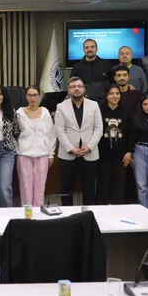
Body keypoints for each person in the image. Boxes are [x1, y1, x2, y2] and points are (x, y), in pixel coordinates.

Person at [54, 76, 103, 206]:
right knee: (66, 189)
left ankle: (88, 215)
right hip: (68, 154)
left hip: (89, 153)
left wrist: (89, 147)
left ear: (84, 89)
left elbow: (99, 128)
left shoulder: (94, 105)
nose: (76, 89)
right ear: (68, 90)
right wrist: (71, 149)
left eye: (79, 86)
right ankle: (67, 215)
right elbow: (59, 130)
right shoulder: (61, 106)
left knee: (89, 189)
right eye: (73, 87)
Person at [15, 85, 55, 207]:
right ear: (26, 97)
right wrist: (18, 149)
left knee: (40, 189)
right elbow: (14, 134)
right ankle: (27, 215)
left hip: (42, 155)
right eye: (30, 95)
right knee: (25, 189)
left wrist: (51, 154)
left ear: (39, 96)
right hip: (24, 155)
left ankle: (38, 214)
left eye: (35, 95)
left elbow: (51, 134)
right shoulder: (19, 113)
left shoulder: (45, 112)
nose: (32, 98)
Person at [96, 85, 133, 205]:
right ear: (106, 95)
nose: (115, 96)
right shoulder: (99, 110)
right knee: (103, 186)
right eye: (111, 93)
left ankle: (118, 211)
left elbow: (131, 132)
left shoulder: (126, 110)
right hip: (103, 155)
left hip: (121, 155)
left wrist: (129, 151)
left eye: (117, 93)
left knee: (119, 186)